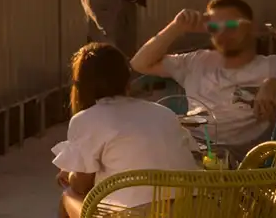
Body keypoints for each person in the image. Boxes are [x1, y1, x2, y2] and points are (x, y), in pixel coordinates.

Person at [130, 0, 276, 163]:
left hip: (241, 157)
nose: (223, 33)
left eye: (232, 25)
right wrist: (176, 27)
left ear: (251, 27)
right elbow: (139, 64)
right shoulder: (196, 61)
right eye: (214, 27)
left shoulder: (273, 65)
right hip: (190, 147)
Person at [53, 43, 198, 217]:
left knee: (69, 195)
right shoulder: (164, 112)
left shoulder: (86, 119)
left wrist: (69, 173)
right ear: (126, 79)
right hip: (193, 208)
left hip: (137, 214)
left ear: (81, 86)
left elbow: (81, 185)